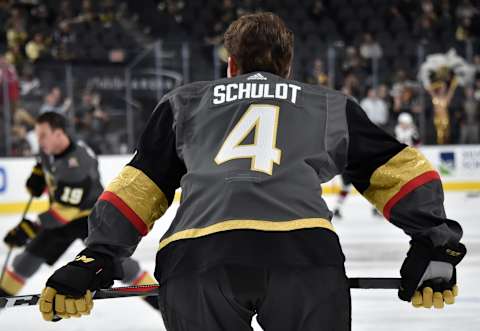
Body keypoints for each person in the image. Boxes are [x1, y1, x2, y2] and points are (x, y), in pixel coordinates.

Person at [38, 13, 465, 330]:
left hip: (197, 260)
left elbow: (138, 186)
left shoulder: (184, 102)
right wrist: (434, 245)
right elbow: (404, 171)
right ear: (288, 68)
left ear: (230, 65)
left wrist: (97, 256)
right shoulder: (326, 104)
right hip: (303, 257)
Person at [1, 112, 159, 311]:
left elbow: (64, 212)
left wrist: (29, 229)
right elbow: (48, 173)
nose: (38, 140)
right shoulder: (48, 150)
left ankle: (158, 300)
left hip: (91, 219)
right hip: (63, 219)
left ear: (58, 134)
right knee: (25, 262)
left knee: (122, 266)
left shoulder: (78, 163)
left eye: (43, 135)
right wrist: (38, 178)